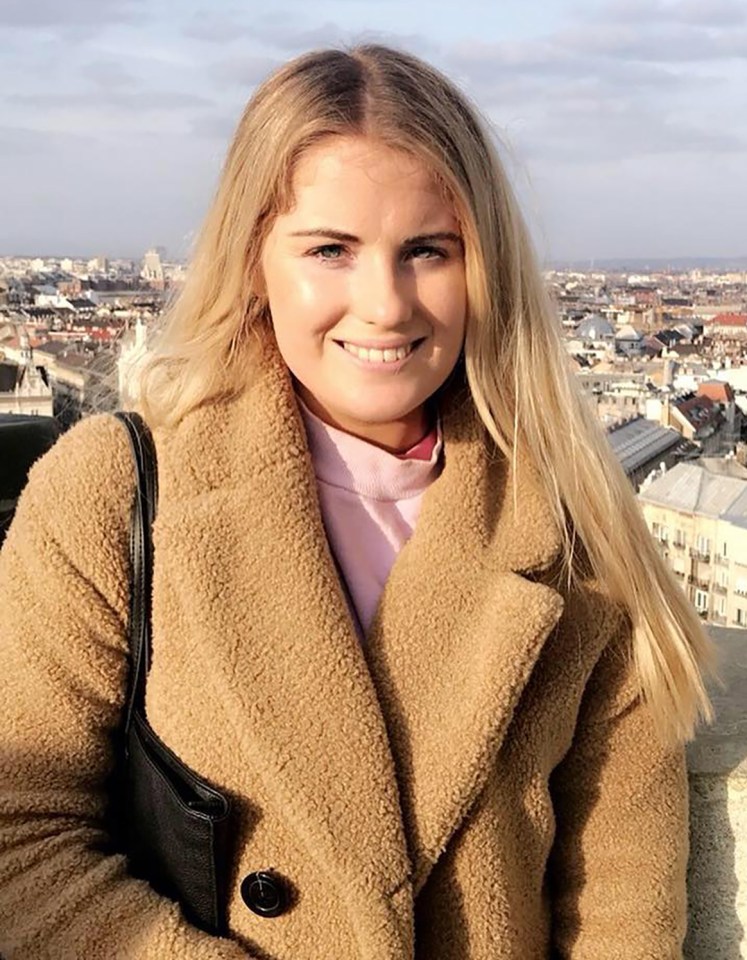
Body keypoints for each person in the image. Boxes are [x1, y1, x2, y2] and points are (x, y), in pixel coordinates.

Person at [0, 44, 713, 960]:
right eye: (330, 250)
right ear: (254, 259)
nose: (382, 305)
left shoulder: (576, 531)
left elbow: (622, 902)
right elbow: (20, 836)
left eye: (427, 250)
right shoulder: (114, 493)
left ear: (483, 267)